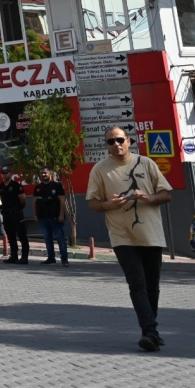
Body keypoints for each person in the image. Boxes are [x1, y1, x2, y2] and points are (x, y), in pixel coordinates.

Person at [87, 125, 174, 351]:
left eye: (119, 140)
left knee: (152, 286)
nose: (115, 145)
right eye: (110, 142)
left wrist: (148, 197)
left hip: (151, 235)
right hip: (122, 236)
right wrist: (108, 204)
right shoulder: (99, 169)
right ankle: (149, 332)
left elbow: (166, 195)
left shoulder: (146, 163)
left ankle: (152, 329)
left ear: (128, 141)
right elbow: (93, 203)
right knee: (137, 284)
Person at [32, 167, 69, 266]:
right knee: (47, 239)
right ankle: (51, 258)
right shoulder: (38, 187)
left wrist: (61, 214)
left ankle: (64, 260)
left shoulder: (57, 186)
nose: (43, 175)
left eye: (45, 173)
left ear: (50, 174)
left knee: (60, 238)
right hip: (43, 217)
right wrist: (35, 214)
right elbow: (35, 202)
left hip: (55, 217)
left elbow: (62, 201)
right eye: (41, 173)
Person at [0, 170, 29, 264]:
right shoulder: (1, 186)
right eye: (3, 173)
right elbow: (1, 199)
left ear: (11, 174)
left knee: (22, 235)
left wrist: (18, 210)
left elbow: (23, 200)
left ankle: (24, 257)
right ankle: (14, 256)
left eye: (6, 173)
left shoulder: (16, 185)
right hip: (6, 214)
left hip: (16, 213)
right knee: (11, 236)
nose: (4, 175)